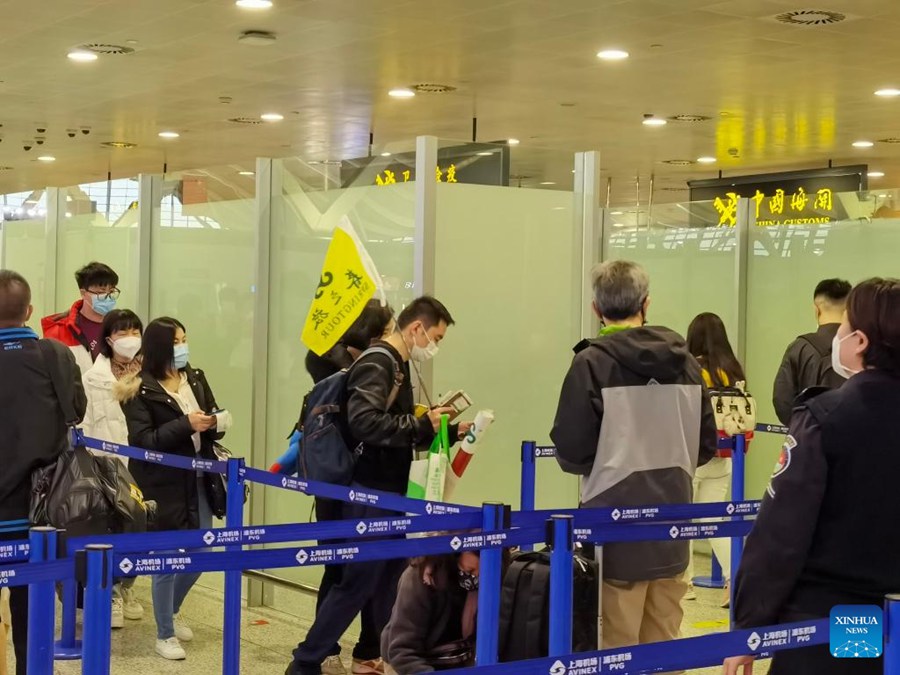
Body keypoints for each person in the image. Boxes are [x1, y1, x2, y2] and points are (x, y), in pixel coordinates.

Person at [725, 278, 900, 675]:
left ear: (859, 342)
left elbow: (781, 533)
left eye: (843, 326)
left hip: (843, 618)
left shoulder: (826, 418)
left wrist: (748, 629)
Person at [286, 296, 464, 675]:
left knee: (388, 580)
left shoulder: (396, 365)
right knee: (357, 581)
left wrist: (439, 429)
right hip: (367, 489)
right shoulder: (379, 362)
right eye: (436, 337)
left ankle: (375, 652)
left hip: (388, 487)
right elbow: (365, 423)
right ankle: (305, 662)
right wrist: (421, 425)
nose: (434, 346)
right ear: (416, 328)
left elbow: (391, 429)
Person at [550, 260, 717, 662]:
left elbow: (571, 453)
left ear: (596, 308)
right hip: (673, 524)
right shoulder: (687, 363)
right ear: (646, 302)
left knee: (614, 647)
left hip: (612, 529)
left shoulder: (590, 364)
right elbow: (706, 445)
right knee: (665, 644)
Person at [118, 317, 230, 661]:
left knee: (201, 555)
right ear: (161, 346)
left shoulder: (193, 378)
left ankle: (174, 610)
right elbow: (143, 440)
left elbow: (211, 415)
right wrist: (186, 424)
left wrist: (215, 422)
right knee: (167, 560)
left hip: (200, 478)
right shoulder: (139, 388)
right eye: (177, 340)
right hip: (161, 483)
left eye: (185, 338)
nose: (183, 346)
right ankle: (164, 633)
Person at [0, 270, 86, 675]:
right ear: (29, 311)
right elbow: (78, 411)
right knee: (29, 616)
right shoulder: (56, 355)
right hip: (37, 513)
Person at [305, 300, 396, 675]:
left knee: (377, 569)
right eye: (389, 328)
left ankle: (367, 649)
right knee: (341, 571)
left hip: (372, 482)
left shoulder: (386, 366)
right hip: (340, 482)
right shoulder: (341, 366)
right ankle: (321, 650)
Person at [81, 308, 145, 628]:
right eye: (122, 332)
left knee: (139, 527)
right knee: (112, 529)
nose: (130, 338)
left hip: (143, 466)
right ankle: (112, 592)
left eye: (135, 331)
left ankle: (129, 586)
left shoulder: (147, 377)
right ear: (108, 338)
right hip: (107, 468)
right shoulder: (93, 379)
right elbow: (88, 426)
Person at [683, 312, 747, 608]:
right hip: (725, 456)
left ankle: (684, 586)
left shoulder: (691, 369)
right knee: (716, 523)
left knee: (682, 522)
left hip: (694, 455)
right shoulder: (733, 370)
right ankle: (737, 580)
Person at [381, 552, 480, 675]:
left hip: (458, 661)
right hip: (409, 664)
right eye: (470, 570)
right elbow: (402, 651)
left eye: (483, 573)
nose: (476, 576)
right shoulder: (420, 577)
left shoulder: (492, 579)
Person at [772, 278, 851, 425]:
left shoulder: (800, 347)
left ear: (817, 309)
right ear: (848, 310)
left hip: (807, 439)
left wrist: (801, 428)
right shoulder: (861, 347)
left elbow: (782, 400)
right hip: (851, 440)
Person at [42, 261, 121, 375]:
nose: (108, 297)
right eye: (101, 292)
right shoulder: (60, 331)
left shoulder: (121, 326)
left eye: (112, 291)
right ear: (83, 293)